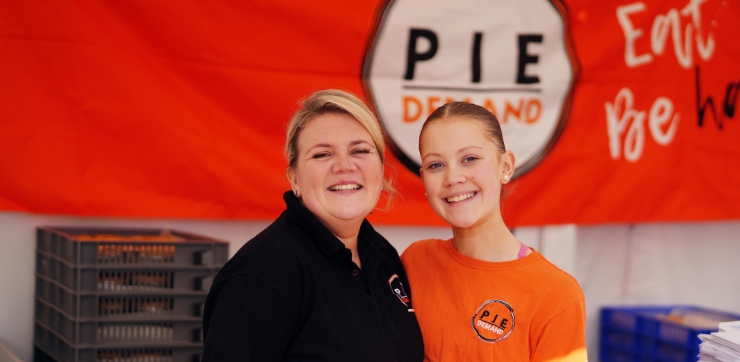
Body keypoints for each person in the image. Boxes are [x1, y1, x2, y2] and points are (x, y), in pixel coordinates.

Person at [201, 90, 423, 361]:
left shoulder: (382, 254)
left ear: (380, 167)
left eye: (360, 150)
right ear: (294, 178)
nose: (344, 166)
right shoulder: (260, 276)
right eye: (322, 155)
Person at [403, 102, 587, 361]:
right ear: (423, 179)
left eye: (470, 159)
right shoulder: (414, 261)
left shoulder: (556, 294)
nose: (452, 177)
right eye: (436, 165)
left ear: (506, 167)